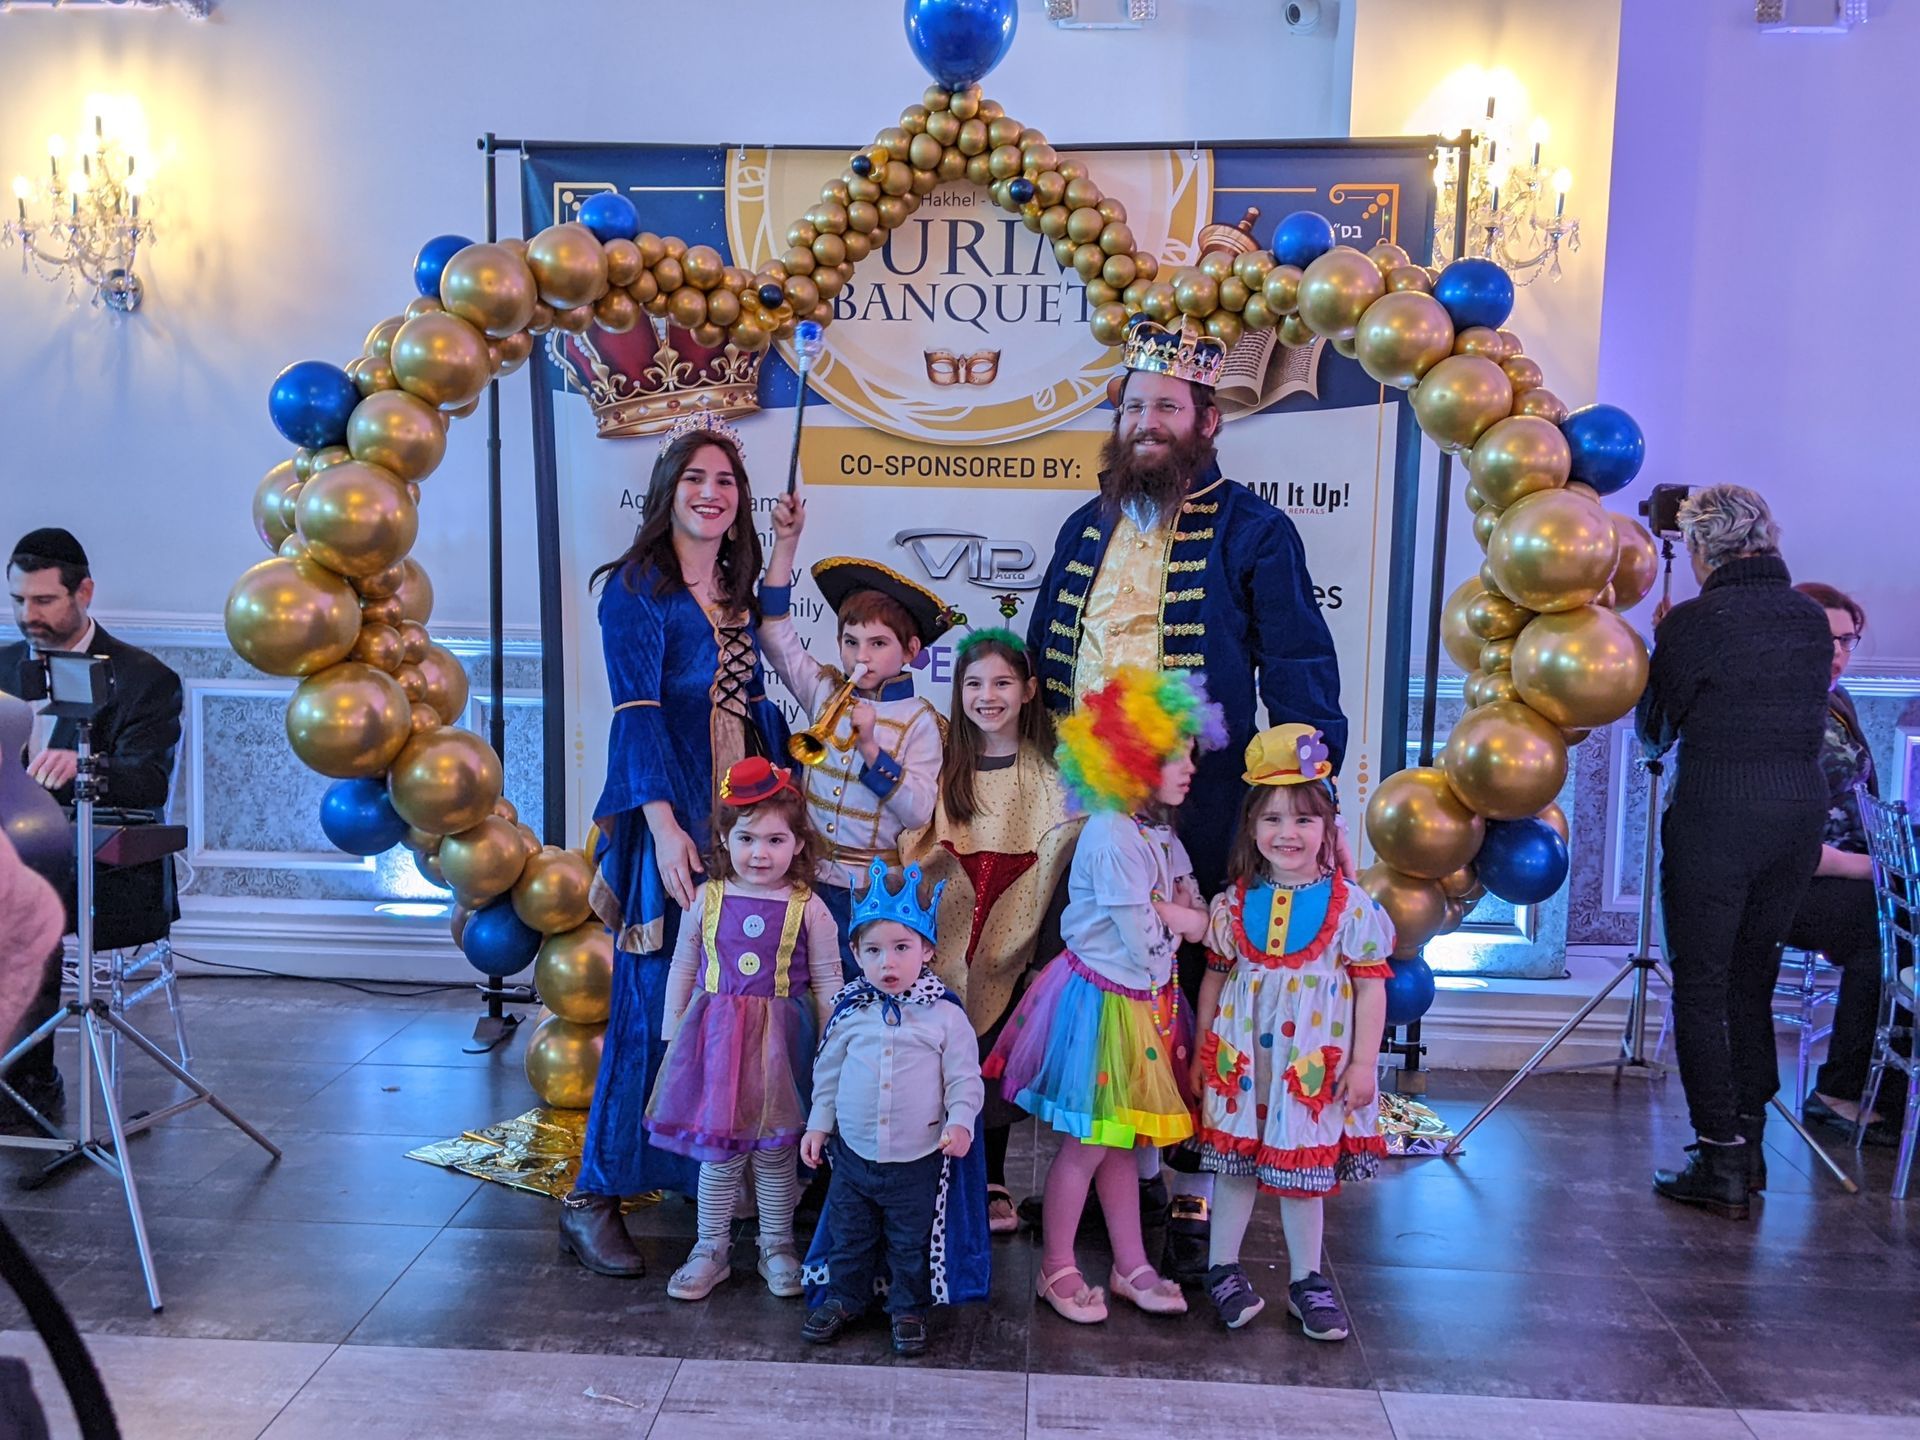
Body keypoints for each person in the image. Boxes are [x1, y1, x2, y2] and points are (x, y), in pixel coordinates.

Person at [563, 413, 790, 1278]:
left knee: (727, 1008)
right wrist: (664, 830)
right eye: (695, 478)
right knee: (650, 1005)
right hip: (673, 824)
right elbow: (638, 717)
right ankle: (593, 1196)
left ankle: (706, 1183)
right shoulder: (636, 588)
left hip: (741, 823)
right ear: (668, 493)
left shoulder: (734, 586)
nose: (711, 493)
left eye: (726, 481)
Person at [1024, 315, 1344, 902]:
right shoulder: (1083, 526)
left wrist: (1308, 798)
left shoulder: (1256, 531)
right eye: (1135, 409)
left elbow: (1298, 670)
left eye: (1168, 407)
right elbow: (1040, 652)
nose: (1147, 424)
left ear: (1209, 420)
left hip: (1197, 802)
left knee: (1191, 965)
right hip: (1074, 799)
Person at [985, 666, 1223, 1324]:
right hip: (1105, 1006)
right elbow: (1149, 937)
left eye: (1190, 756)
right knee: (1088, 1146)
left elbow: (1190, 914)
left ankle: (1130, 1263)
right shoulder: (1114, 835)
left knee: (1119, 1143)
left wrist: (1179, 917)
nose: (1188, 768)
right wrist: (1177, 921)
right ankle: (1056, 1267)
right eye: (1172, 756)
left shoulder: (1156, 833)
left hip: (1141, 1002)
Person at [1635, 484, 1831, 1219]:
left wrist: (1662, 650)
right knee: (1755, 977)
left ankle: (1716, 1157)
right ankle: (1748, 1148)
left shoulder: (1695, 621)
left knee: (1702, 984)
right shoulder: (1810, 619)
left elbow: (1658, 732)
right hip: (1797, 815)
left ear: (1699, 549)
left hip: (1719, 812)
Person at [1191, 725, 1395, 1339]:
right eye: (1274, 819)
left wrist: (1364, 1064)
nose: (1288, 833)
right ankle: (1221, 1269)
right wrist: (1205, 1052)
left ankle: (1307, 1280)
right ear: (1252, 829)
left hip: (1310, 1064)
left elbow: (1370, 986)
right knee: (1234, 1169)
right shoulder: (1232, 904)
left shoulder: (1352, 906)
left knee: (1301, 1179)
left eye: (1305, 820)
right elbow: (1214, 981)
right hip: (1240, 1061)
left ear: (1329, 829)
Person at [644, 758, 844, 1301]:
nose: (761, 853)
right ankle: (711, 1246)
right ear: (725, 839)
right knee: (722, 1151)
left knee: (777, 1152)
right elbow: (684, 963)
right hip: (713, 1045)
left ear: (799, 844)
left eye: (776, 839)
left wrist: (832, 1047)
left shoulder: (811, 908)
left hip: (783, 1047)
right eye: (747, 837)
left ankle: (776, 1244)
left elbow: (829, 980)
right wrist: (673, 1035)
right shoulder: (707, 899)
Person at [901, 629, 1080, 1235]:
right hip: (939, 939)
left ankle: (992, 1175)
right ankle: (928, 1167)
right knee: (936, 1056)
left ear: (1029, 690)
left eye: (1003, 682)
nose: (988, 695)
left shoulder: (1052, 778)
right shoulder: (943, 767)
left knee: (993, 1062)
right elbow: (913, 838)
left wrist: (1041, 958)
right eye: (974, 683)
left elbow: (1060, 867)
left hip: (1015, 942)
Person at [3, 528, 182, 1121]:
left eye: (44, 601)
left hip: (99, 863)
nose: (29, 616)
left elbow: (149, 783)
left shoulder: (142, 679)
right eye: (19, 601)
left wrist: (89, 767)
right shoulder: (2, 667)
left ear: (85, 592)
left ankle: (27, 1084)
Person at [799, 861, 985, 1358]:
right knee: (850, 1234)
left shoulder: (945, 1016)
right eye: (874, 950)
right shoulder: (850, 1010)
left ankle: (908, 1308)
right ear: (856, 953)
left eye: (902, 948)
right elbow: (829, 1074)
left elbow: (965, 1078)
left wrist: (961, 1121)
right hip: (855, 1156)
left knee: (909, 1241)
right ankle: (845, 1298)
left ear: (927, 950)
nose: (889, 963)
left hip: (917, 1158)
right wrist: (819, 1125)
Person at [759, 494, 951, 972]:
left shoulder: (920, 720)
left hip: (873, 891)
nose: (860, 656)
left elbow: (918, 812)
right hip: (806, 877)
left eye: (878, 644)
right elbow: (774, 634)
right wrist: (786, 543)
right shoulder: (825, 689)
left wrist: (871, 750)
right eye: (851, 642)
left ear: (909, 650)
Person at [1786, 582, 1902, 1146]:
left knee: (1906, 918)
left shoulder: (1838, 699)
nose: (1837, 653)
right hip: (1793, 883)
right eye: (1822, 639)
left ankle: (1893, 1094)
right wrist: (1880, 875)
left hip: (1853, 867)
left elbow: (1862, 804)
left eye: (1847, 640)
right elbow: (1789, 848)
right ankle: (1841, 1093)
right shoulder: (1776, 715)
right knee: (1890, 934)